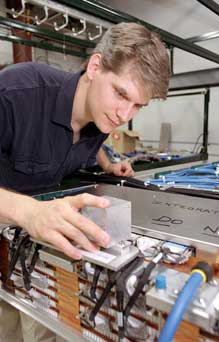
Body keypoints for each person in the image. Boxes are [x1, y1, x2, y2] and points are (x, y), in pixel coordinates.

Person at [0, 22, 170, 341]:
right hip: (9, 224)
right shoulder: (16, 92)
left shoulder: (101, 113)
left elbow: (92, 144)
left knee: (46, 324)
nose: (124, 114)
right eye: (122, 94)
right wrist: (30, 212)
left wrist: (110, 163)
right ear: (95, 66)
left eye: (137, 106)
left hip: (39, 235)